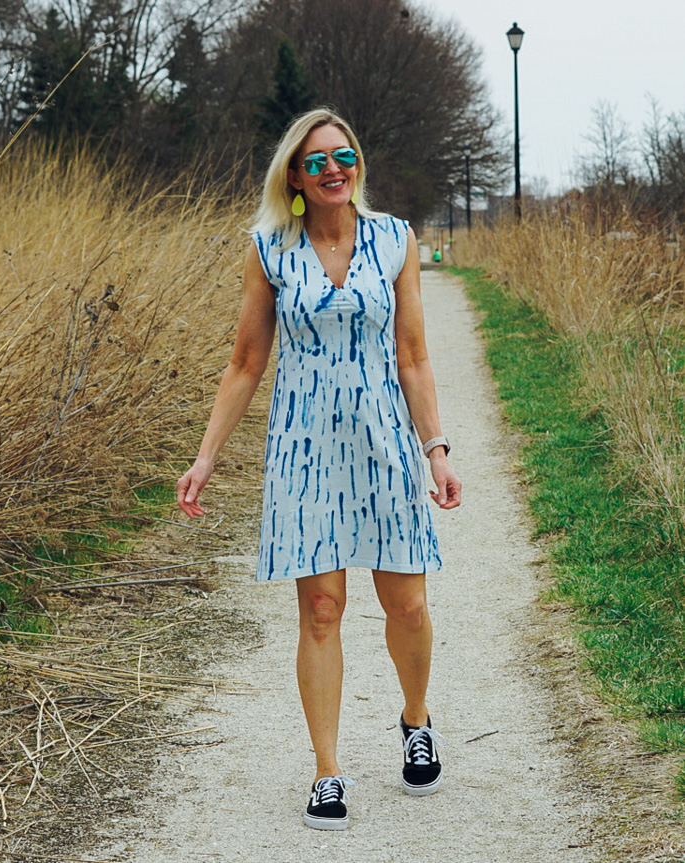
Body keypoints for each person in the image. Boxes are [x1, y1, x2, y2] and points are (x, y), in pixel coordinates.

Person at [176, 107, 461, 831]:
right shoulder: (270, 249)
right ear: (295, 178)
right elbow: (246, 361)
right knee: (322, 609)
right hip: (304, 448)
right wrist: (205, 457)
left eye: (344, 157)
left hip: (386, 445)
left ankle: (417, 717)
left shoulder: (396, 239)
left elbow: (414, 356)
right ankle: (328, 769)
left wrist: (437, 448)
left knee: (408, 605)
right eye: (317, 161)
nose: (334, 169)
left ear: (356, 164)